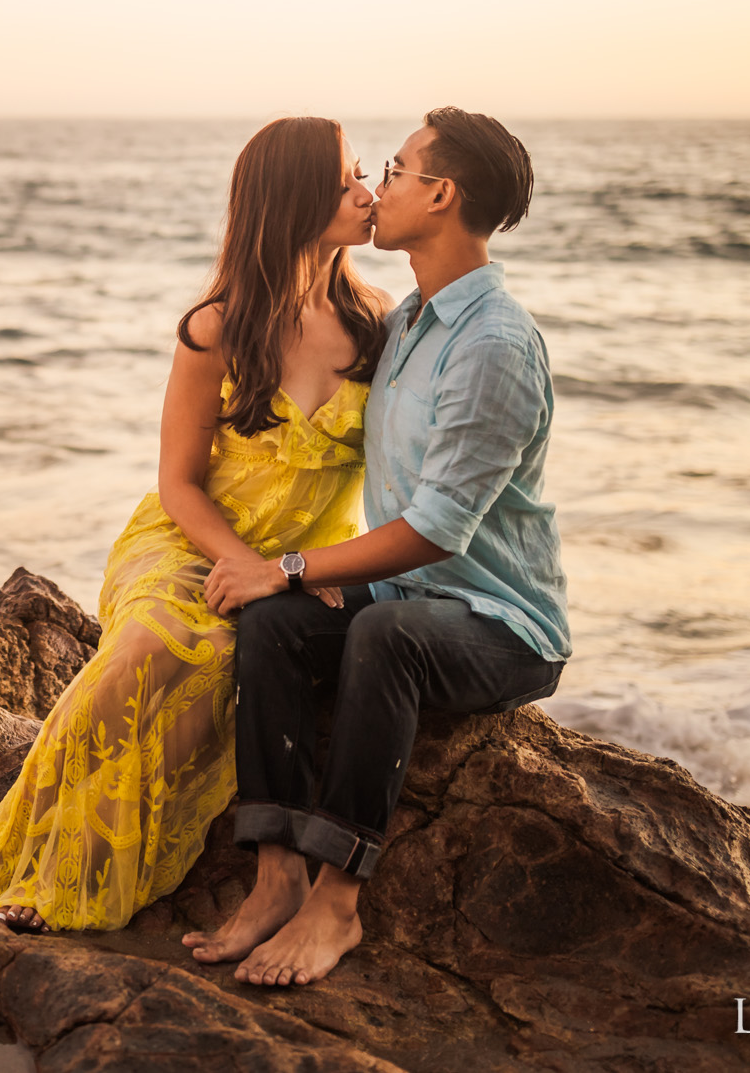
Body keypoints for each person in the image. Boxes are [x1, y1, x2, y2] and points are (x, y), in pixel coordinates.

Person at [0, 116, 392, 931]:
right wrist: (240, 564)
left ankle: (91, 861)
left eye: (365, 174)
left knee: (230, 656)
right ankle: (12, 843)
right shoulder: (217, 326)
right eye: (346, 180)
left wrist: (315, 571)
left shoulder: (378, 326)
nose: (368, 193)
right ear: (293, 200)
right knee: (155, 643)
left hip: (299, 560)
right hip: (188, 538)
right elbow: (179, 482)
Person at [186, 106, 569, 985]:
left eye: (394, 169)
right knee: (276, 623)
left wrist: (289, 563)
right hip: (409, 596)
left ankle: (337, 900)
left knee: (377, 634)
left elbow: (437, 530)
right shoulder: (401, 326)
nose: (377, 185)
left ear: (440, 195)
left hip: (498, 625)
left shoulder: (493, 345)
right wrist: (289, 579)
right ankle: (277, 871)